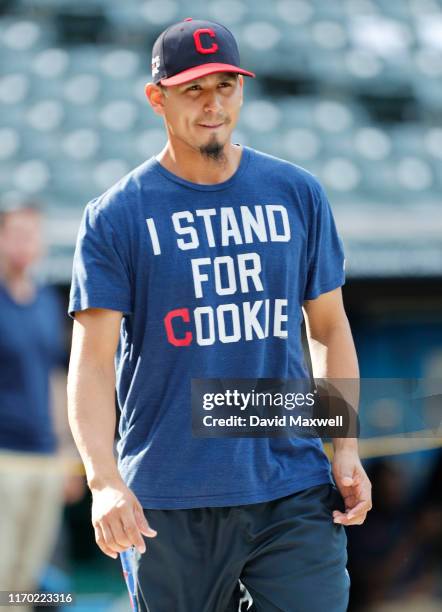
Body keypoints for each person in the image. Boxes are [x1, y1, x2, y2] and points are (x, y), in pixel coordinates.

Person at [67, 17, 372, 612]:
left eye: (226, 86)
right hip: (168, 496)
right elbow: (93, 362)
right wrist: (103, 481)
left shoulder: (297, 193)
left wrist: (346, 448)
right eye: (193, 90)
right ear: (157, 98)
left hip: (292, 484)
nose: (213, 105)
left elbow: (329, 328)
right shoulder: (116, 216)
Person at [0, 198, 83, 610]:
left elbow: (56, 378)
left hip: (43, 460)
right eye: (15, 233)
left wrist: (66, 449)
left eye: (32, 234)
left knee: (25, 584)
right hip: (4, 460)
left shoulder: (47, 302)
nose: (25, 243)